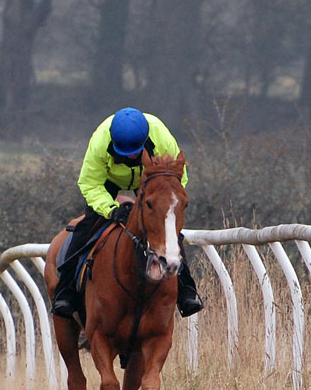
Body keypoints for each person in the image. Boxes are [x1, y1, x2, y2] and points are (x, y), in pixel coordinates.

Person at [51, 107, 204, 319]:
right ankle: (66, 291)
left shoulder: (161, 136)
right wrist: (111, 209)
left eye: (135, 150)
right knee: (85, 227)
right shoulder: (99, 142)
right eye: (125, 151)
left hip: (152, 180)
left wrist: (161, 202)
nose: (131, 155)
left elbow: (177, 179)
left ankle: (187, 291)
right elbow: (89, 183)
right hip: (109, 181)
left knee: (167, 230)